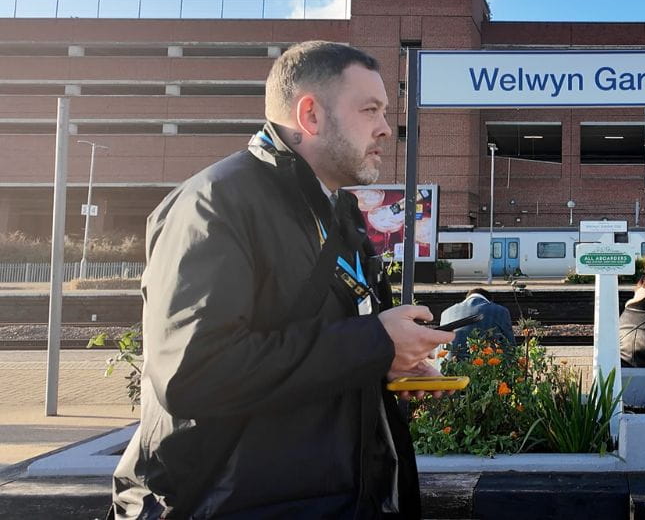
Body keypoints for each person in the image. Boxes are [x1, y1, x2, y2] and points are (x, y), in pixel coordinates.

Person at [109, 41, 455, 520]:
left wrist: (387, 367)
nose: (384, 128)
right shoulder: (215, 203)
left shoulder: (342, 213)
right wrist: (372, 344)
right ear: (310, 115)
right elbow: (194, 373)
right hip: (231, 504)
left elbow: (319, 350)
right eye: (370, 110)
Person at [439, 288, 515, 352]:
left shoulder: (445, 313)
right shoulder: (500, 310)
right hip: (481, 366)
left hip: (446, 366)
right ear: (489, 301)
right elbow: (510, 346)